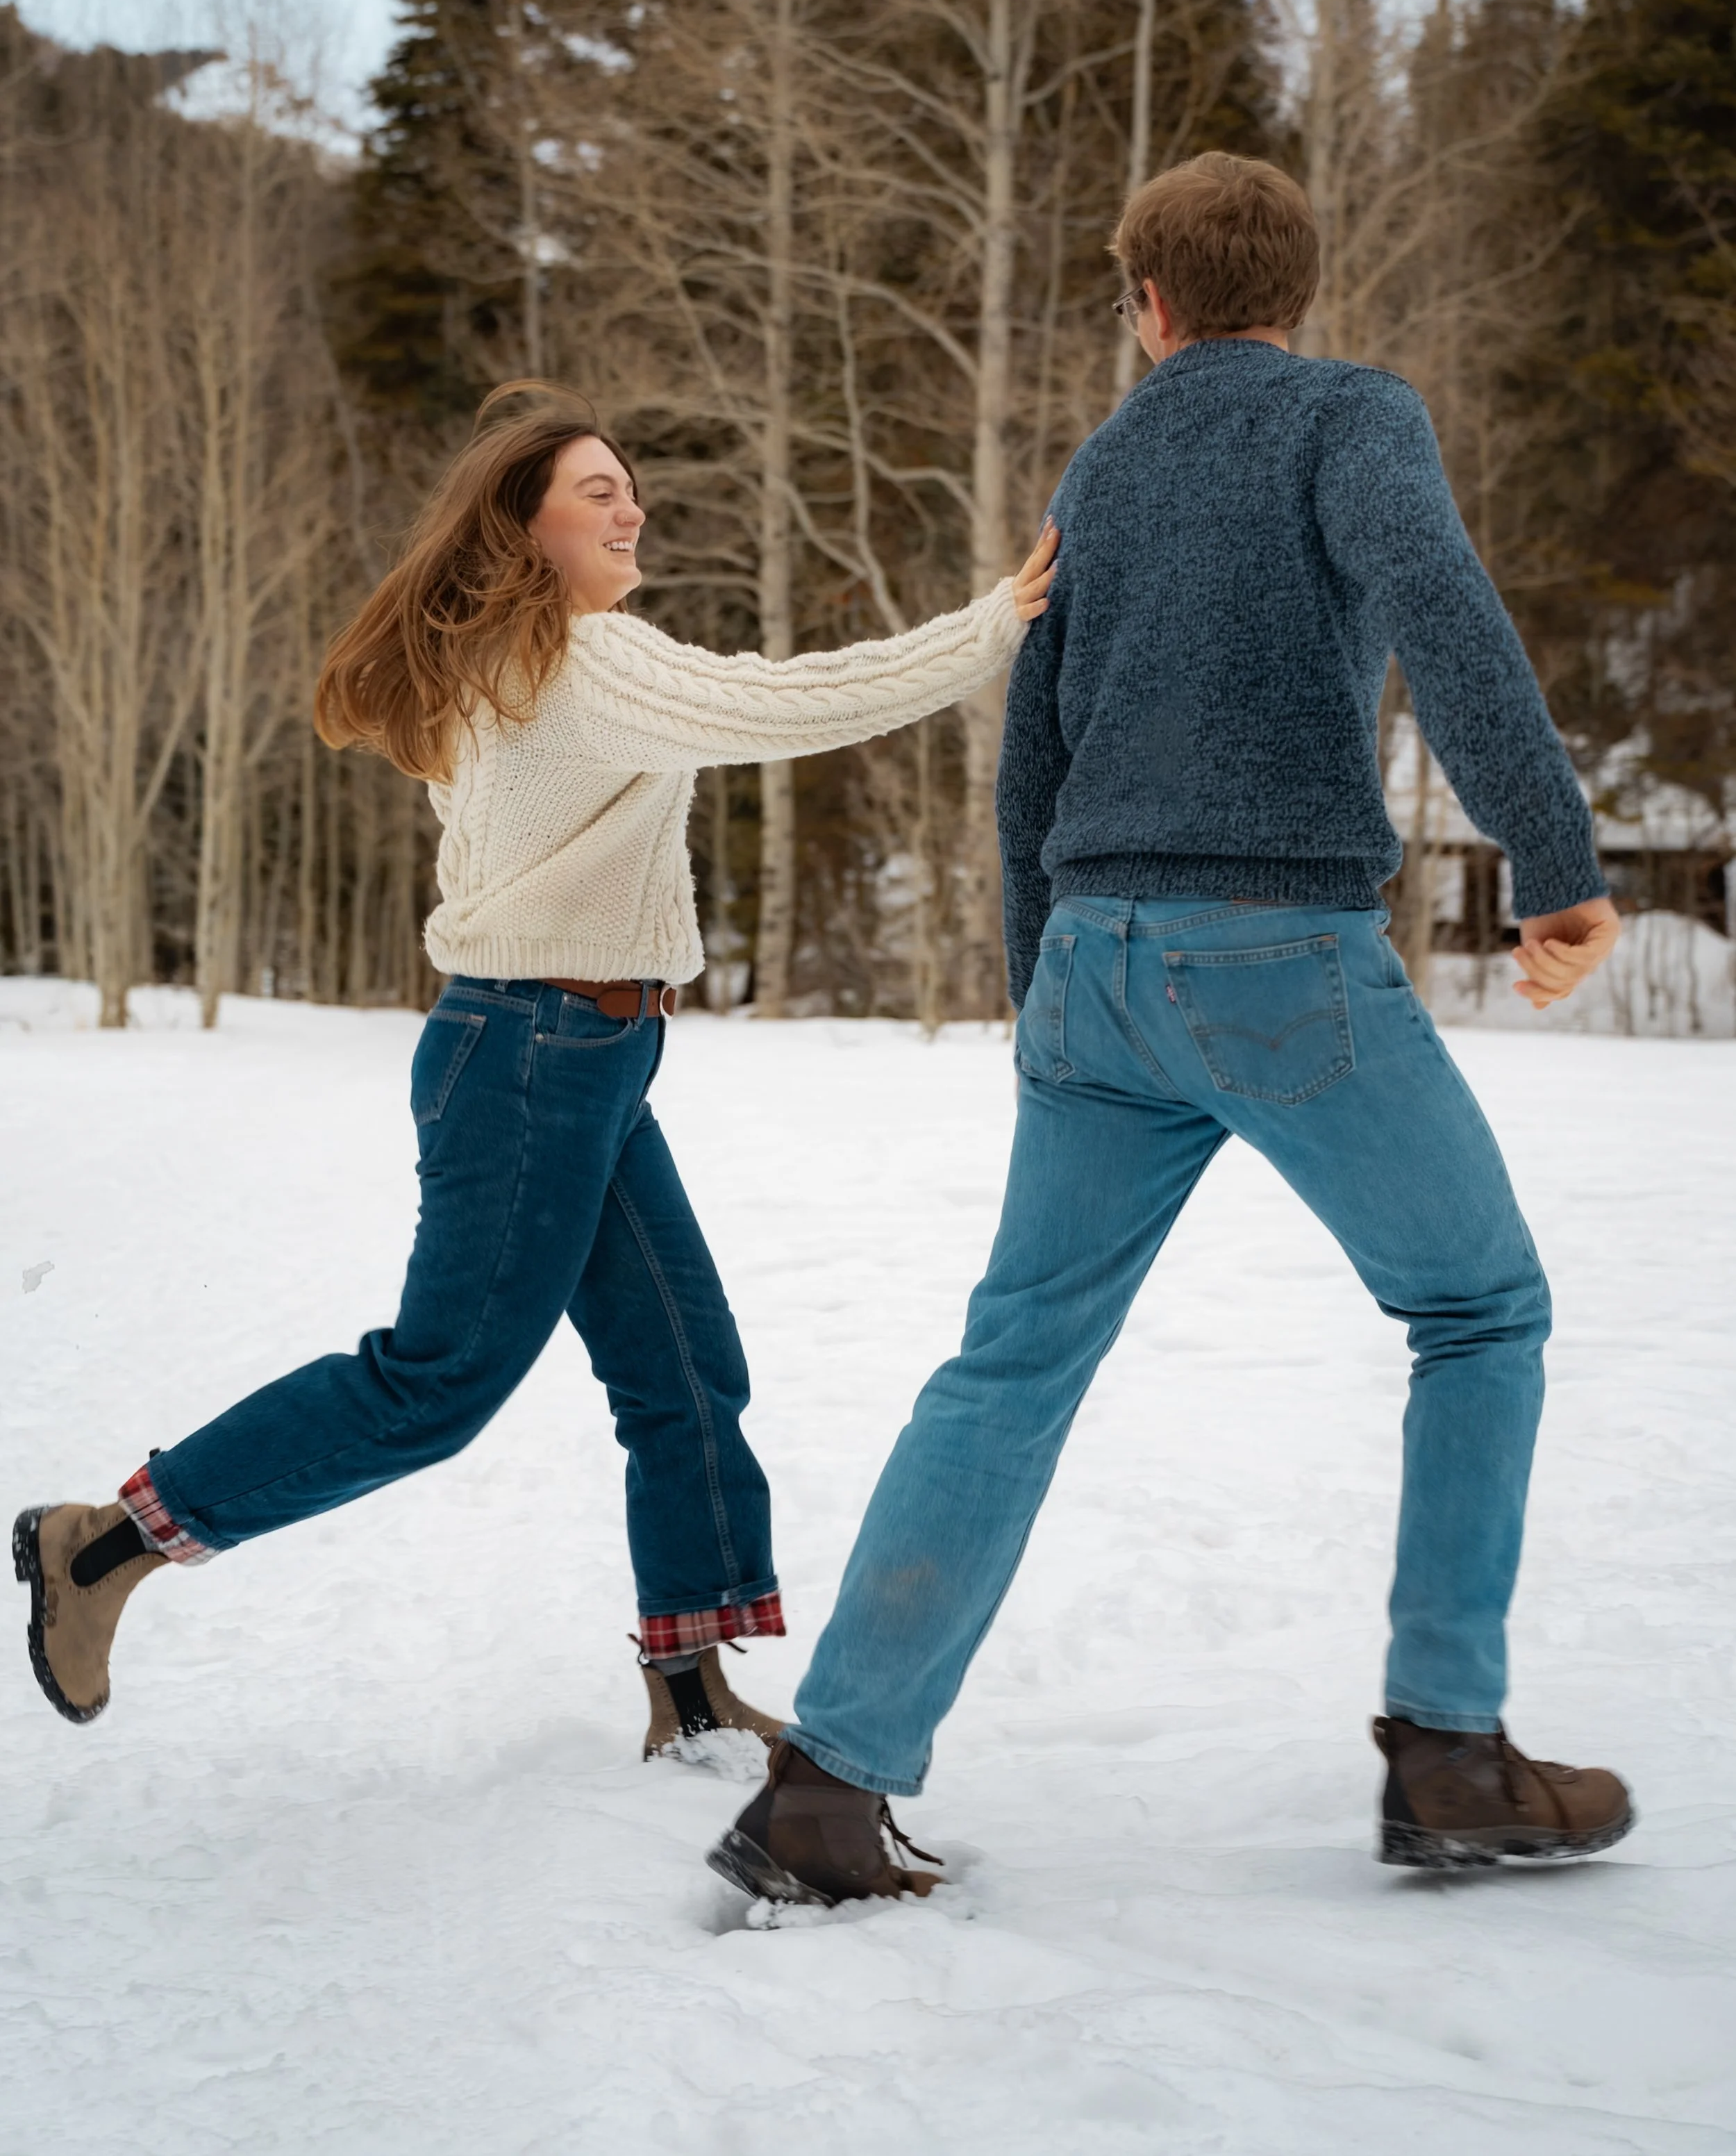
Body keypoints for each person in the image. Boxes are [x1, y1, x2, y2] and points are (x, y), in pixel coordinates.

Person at [711, 151, 1632, 1907]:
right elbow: (1434, 596)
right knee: (1478, 1306)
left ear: (1146, 304)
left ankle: (823, 1795)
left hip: (1093, 967)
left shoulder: (1105, 461)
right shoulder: (1350, 418)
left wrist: (1037, 994)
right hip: (1271, 954)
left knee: (1008, 1365)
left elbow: (1030, 743)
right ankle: (1446, 1756)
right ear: (1296, 286)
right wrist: (1552, 859)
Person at [14, 380, 1058, 1754]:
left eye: (630, 488)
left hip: (590, 1053)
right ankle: (105, 1546)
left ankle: (686, 1692)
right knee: (436, 1381)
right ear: (528, 529)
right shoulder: (581, 660)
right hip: (530, 1054)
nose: (629, 507)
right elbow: (788, 701)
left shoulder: (529, 668)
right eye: (595, 492)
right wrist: (992, 626)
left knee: (683, 1368)